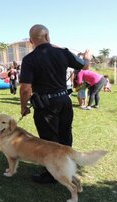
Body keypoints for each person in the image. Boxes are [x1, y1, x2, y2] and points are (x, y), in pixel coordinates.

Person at [19, 24, 91, 184]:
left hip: (45, 105)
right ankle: (67, 164)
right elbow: (85, 66)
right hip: (64, 100)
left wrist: (23, 107)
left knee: (48, 139)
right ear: (48, 36)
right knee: (65, 133)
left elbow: (25, 88)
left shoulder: (29, 59)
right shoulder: (63, 52)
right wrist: (87, 57)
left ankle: (53, 173)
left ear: (31, 41)